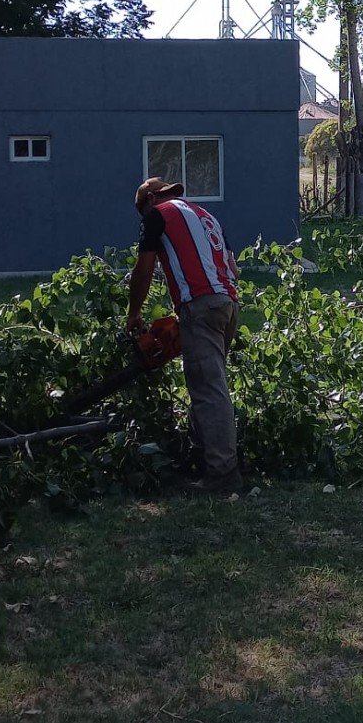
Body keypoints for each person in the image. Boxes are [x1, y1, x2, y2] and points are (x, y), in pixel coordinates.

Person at [127, 177, 242, 493]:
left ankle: (223, 474)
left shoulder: (156, 215)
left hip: (201, 304)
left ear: (150, 199)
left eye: (141, 210)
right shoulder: (205, 216)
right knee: (207, 383)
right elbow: (232, 266)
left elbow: (144, 269)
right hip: (229, 304)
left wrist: (134, 313)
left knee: (208, 390)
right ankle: (202, 456)